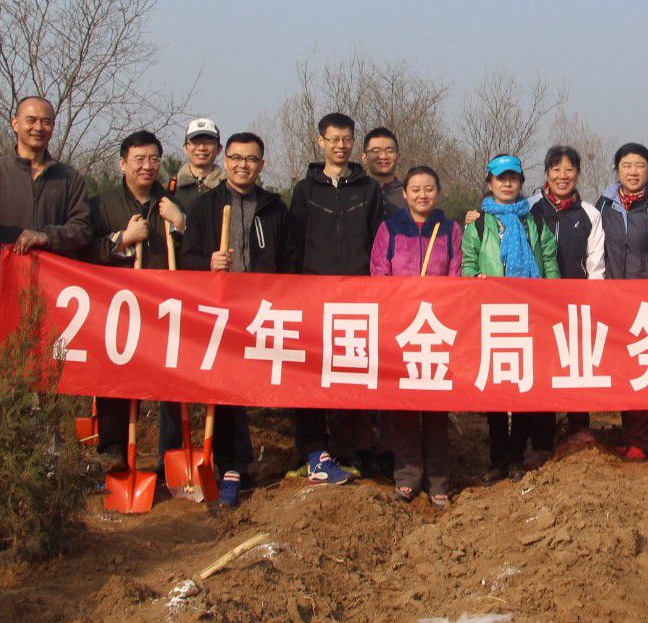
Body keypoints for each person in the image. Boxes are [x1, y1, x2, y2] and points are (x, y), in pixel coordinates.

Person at [0, 96, 90, 461]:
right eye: (31, 120)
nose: (38, 127)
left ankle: (41, 464)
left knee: (42, 385)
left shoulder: (69, 179)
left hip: (47, 299)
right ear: (15, 123)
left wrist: (47, 236)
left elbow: (82, 230)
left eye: (46, 121)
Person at [178, 132, 301, 505]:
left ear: (261, 164)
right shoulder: (205, 206)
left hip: (264, 310)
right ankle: (232, 466)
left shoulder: (274, 208)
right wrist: (208, 263)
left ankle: (309, 451)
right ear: (225, 160)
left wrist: (280, 293)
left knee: (289, 376)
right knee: (224, 385)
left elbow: (290, 260)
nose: (242, 165)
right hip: (220, 308)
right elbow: (185, 258)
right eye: (235, 158)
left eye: (250, 159)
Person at [287, 112, 388, 482]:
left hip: (357, 296)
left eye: (346, 139)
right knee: (309, 375)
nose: (340, 146)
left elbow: (378, 243)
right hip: (312, 296)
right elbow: (294, 244)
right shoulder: (305, 190)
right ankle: (314, 451)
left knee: (351, 372)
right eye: (333, 139)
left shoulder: (369, 189)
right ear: (321, 142)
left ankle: (350, 450)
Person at [87, 130, 189, 475]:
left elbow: (193, 255)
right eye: (139, 159)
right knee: (115, 380)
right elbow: (85, 251)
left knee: (171, 382)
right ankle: (113, 453)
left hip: (165, 309)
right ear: (122, 163)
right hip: (118, 310)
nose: (147, 166)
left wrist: (181, 224)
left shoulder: (172, 203)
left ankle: (170, 456)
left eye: (154, 159)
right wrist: (122, 239)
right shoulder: (102, 205)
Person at [370, 166, 462, 508]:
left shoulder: (450, 229)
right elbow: (379, 273)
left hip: (437, 328)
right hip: (401, 327)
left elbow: (456, 274)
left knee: (436, 409)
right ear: (405, 194)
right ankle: (407, 476)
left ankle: (439, 480)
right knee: (404, 407)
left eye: (429, 188)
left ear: (438, 193)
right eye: (416, 189)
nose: (423, 195)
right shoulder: (389, 228)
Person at [464, 154, 559, 482]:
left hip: (530, 317)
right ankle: (497, 459)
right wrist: (474, 282)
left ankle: (517, 456)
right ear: (490, 183)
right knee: (495, 390)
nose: (507, 184)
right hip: (492, 317)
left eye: (513, 178)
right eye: (500, 178)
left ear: (520, 182)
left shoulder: (535, 222)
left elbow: (549, 262)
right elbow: (468, 264)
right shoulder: (478, 225)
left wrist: (552, 300)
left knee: (524, 388)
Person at [594, 142, 648, 460]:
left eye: (640, 165)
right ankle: (632, 434)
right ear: (617, 170)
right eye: (626, 165)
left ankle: (642, 439)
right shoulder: (604, 205)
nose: (633, 171)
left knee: (645, 364)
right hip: (615, 297)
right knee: (624, 367)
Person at [528, 146, 607, 448]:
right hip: (537, 303)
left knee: (575, 364)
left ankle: (579, 428)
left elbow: (596, 265)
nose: (562, 176)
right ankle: (542, 440)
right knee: (541, 367)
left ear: (578, 173)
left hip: (576, 304)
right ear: (546, 173)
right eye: (556, 169)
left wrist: (594, 304)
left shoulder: (589, 214)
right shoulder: (530, 208)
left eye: (569, 169)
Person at [167, 117, 224, 212]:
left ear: (219, 148)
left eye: (208, 142)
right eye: (195, 142)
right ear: (185, 148)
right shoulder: (171, 187)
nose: (201, 147)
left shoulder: (228, 187)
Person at [363, 126, 406, 213]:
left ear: (398, 157)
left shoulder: (410, 195)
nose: (383, 156)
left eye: (389, 151)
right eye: (376, 151)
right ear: (364, 158)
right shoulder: (354, 193)